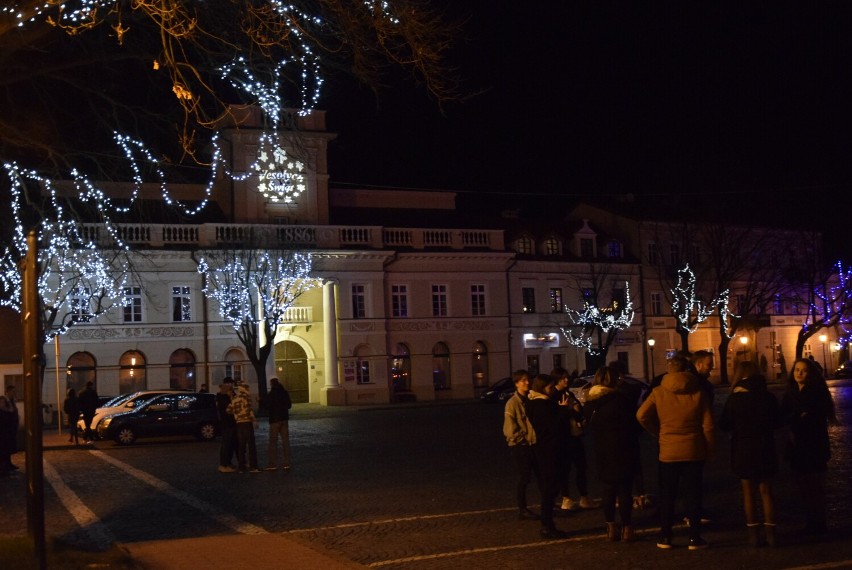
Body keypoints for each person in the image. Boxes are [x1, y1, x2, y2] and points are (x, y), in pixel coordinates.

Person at [637, 354, 715, 550]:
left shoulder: (658, 392)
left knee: (668, 495)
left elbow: (641, 415)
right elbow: (708, 426)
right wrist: (710, 448)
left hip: (668, 450)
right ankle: (695, 538)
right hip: (693, 449)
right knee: (694, 494)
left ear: (670, 369)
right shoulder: (699, 392)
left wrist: (657, 431)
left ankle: (665, 536)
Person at [719, 360, 781, 547]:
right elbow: (778, 422)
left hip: (743, 449)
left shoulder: (735, 399)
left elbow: (724, 425)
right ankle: (771, 534)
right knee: (766, 491)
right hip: (765, 447)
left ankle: (753, 534)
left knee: (748, 493)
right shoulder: (768, 397)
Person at [781, 357, 838, 536]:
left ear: (810, 373)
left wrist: (799, 417)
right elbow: (784, 415)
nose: (799, 373)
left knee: (815, 486)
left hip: (814, 444)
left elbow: (813, 416)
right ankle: (810, 521)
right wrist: (798, 417)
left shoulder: (816, 392)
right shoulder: (790, 391)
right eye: (797, 369)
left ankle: (819, 523)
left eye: (803, 370)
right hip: (797, 444)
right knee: (803, 485)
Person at [584, 366, 641, 542]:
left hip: (603, 450)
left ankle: (610, 527)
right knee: (624, 491)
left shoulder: (591, 403)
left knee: (608, 491)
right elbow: (633, 423)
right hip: (623, 448)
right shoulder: (620, 400)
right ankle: (627, 528)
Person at [525, 374, 567, 539]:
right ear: (542, 388)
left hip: (541, 449)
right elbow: (554, 427)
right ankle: (547, 525)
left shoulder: (532, 403)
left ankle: (547, 523)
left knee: (547, 488)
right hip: (549, 450)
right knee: (549, 489)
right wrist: (563, 410)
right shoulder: (543, 405)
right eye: (549, 387)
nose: (551, 390)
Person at [551, 367, 598, 511]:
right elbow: (556, 418)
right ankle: (566, 498)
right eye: (563, 378)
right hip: (564, 438)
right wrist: (568, 409)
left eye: (566, 377)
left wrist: (578, 412)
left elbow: (578, 411)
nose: (566, 380)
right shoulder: (554, 396)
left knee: (581, 467)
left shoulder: (569, 393)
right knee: (564, 469)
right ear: (556, 380)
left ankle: (584, 497)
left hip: (576, 435)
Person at [502, 369, 539, 521]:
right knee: (524, 478)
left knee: (541, 476)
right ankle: (522, 509)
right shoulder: (512, 403)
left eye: (528, 379)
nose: (527, 382)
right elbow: (510, 429)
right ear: (516, 383)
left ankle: (548, 503)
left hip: (533, 444)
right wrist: (523, 440)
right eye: (523, 380)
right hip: (521, 446)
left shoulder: (531, 399)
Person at [228, 382, 260, 473]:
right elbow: (249, 410)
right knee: (251, 445)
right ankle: (253, 467)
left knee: (241, 446)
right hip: (247, 422)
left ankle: (241, 467)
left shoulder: (234, 398)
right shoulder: (246, 397)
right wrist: (254, 421)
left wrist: (236, 414)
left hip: (239, 424)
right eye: (248, 388)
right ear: (245, 389)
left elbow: (228, 410)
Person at [264, 378, 293, 471]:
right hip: (284, 419)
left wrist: (261, 401)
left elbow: (267, 406)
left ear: (272, 384)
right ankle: (287, 463)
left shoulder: (271, 394)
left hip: (274, 420)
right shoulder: (284, 393)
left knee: (273, 443)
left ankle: (272, 464)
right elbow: (289, 405)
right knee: (285, 442)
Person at [216, 378, 237, 473]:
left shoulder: (230, 395)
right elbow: (228, 409)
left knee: (231, 444)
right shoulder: (221, 397)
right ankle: (223, 464)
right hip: (226, 423)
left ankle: (228, 462)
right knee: (226, 444)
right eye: (230, 384)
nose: (231, 386)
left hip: (232, 423)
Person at [0, 393, 18, 475]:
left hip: (7, 433)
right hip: (2, 435)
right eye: (1, 402)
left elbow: (12, 411)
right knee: (3, 452)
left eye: (3, 402)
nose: (2, 404)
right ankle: (3, 469)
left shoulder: (5, 411)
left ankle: (7, 465)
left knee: (7, 451)